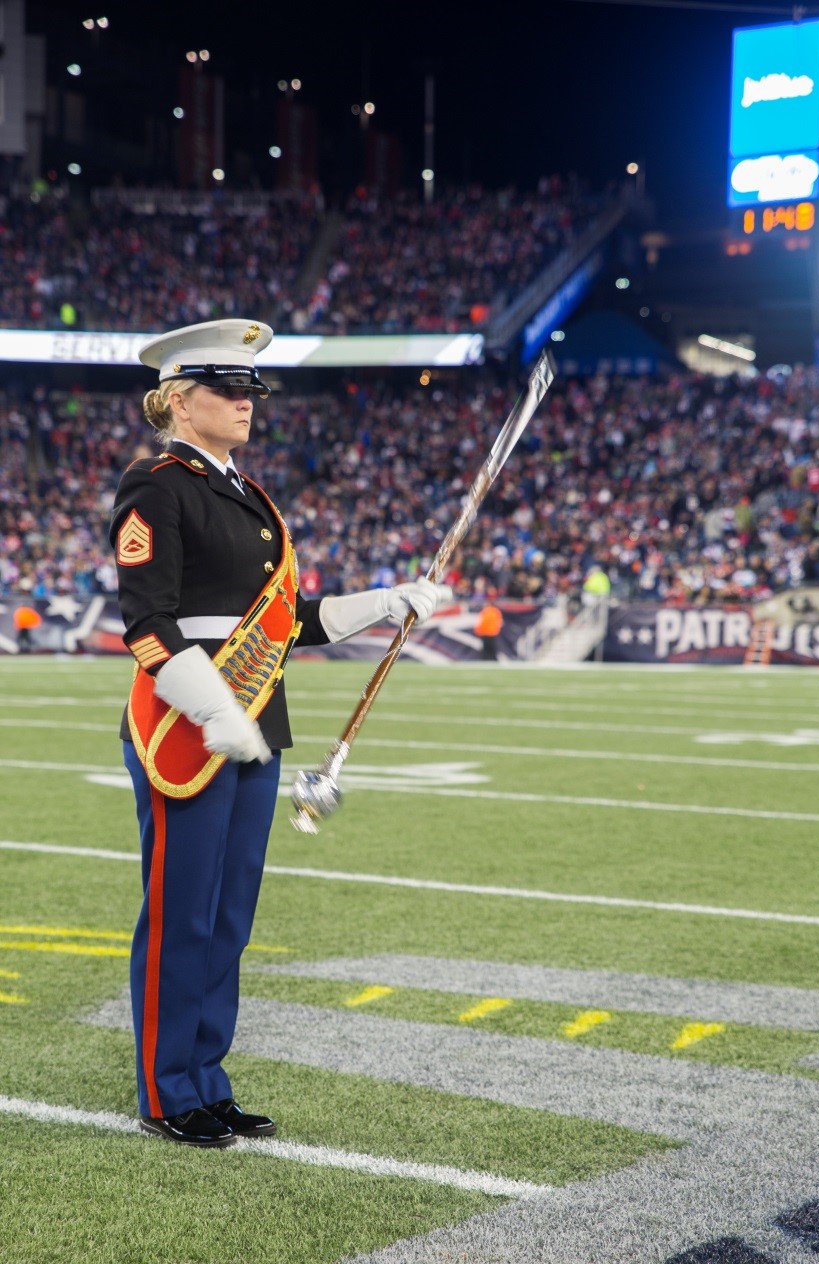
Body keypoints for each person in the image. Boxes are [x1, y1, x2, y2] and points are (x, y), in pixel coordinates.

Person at [110, 318, 451, 1149]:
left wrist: (384, 602)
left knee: (229, 916)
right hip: (190, 724)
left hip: (257, 718)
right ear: (181, 400)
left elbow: (283, 620)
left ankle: (207, 1078)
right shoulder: (158, 485)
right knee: (181, 914)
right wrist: (212, 708)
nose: (247, 403)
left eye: (251, 390)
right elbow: (148, 627)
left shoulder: (248, 493)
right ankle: (167, 1090)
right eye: (230, 390)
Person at [474, 596, 503, 661]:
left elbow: (481, 622)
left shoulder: (488, 611)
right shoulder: (494, 611)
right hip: (490, 632)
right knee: (489, 647)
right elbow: (499, 623)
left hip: (487, 632)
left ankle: (488, 659)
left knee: (488, 648)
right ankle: (491, 659)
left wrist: (478, 630)